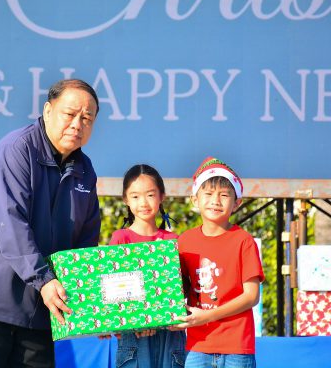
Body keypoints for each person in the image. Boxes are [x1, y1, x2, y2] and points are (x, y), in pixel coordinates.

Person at [0, 79, 101, 368]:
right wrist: (45, 280)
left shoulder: (85, 171)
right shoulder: (16, 149)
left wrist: (92, 299)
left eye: (87, 118)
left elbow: (86, 241)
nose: (77, 124)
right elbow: (11, 224)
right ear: (48, 110)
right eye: (69, 114)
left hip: (39, 311)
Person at [171, 157, 264, 368]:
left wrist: (207, 316)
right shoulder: (184, 241)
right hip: (197, 346)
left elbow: (251, 296)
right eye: (208, 194)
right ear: (195, 199)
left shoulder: (244, 241)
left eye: (224, 195)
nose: (216, 201)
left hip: (237, 348)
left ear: (237, 203)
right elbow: (175, 288)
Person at [109, 164, 186, 368]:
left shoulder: (173, 240)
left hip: (171, 334)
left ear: (162, 196)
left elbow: (182, 287)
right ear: (125, 199)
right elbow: (113, 291)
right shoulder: (120, 239)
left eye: (150, 195)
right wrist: (137, 321)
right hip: (133, 336)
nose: (143, 202)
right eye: (135, 196)